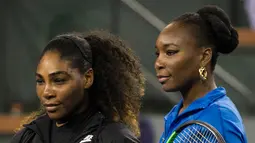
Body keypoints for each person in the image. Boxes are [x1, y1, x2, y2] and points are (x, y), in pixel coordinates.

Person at [11, 30, 145, 143]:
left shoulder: (113, 138)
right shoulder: (29, 136)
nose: (47, 92)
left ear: (87, 78)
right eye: (40, 81)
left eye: (58, 80)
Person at [154, 5, 248, 143]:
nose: (158, 63)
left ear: (204, 57)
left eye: (170, 52)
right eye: (157, 54)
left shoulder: (220, 120)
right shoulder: (178, 113)